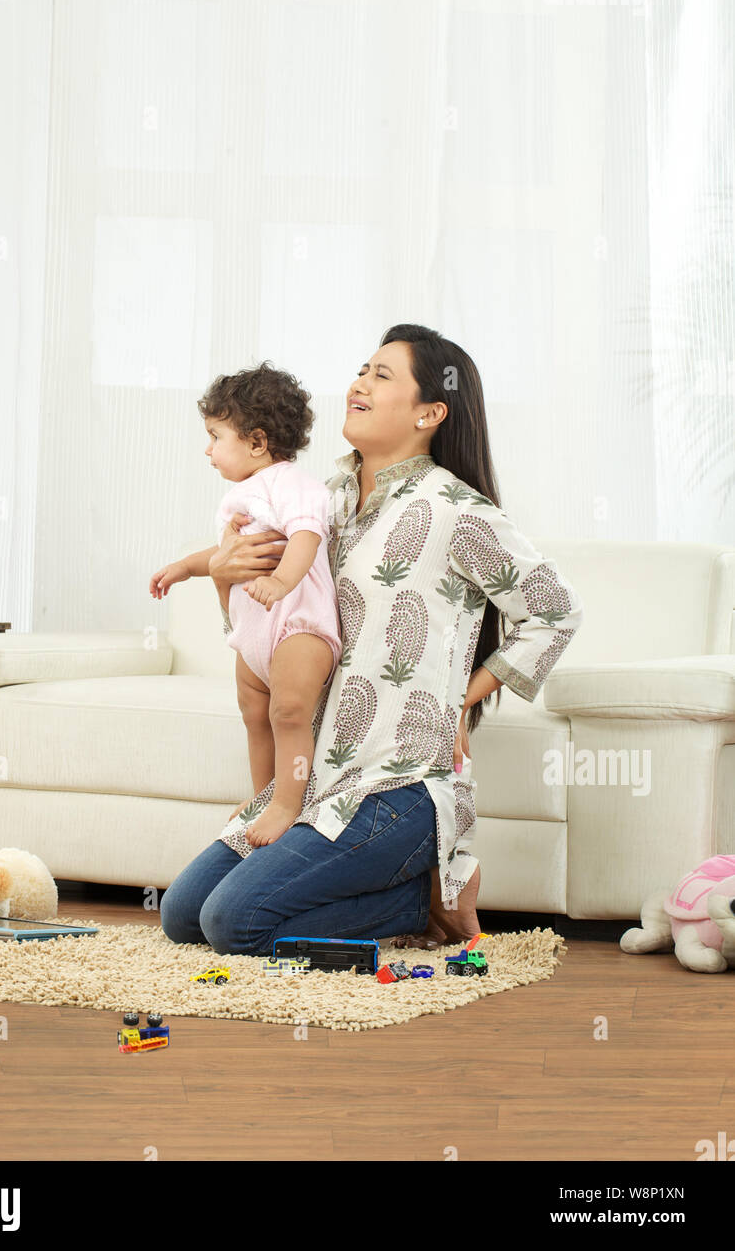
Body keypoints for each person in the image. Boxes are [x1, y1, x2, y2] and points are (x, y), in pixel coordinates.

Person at [159, 324, 584, 955]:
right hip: (316, 780)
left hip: (399, 787)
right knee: (184, 914)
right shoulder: (315, 499)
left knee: (236, 924)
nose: (359, 382)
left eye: (382, 375)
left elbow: (554, 611)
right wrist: (220, 577)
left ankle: (422, 895)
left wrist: (461, 701)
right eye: (362, 369)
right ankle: (405, 893)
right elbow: (265, 630)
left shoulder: (458, 511)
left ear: (429, 412)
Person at [150, 362, 342, 847]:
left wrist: (280, 581)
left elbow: (306, 535)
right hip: (256, 635)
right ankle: (265, 795)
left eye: (216, 436)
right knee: (254, 714)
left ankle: (287, 804)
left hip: (299, 625)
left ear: (257, 442)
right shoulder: (243, 495)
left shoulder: (291, 483)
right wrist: (184, 567)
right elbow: (224, 555)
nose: (208, 449)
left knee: (289, 713)